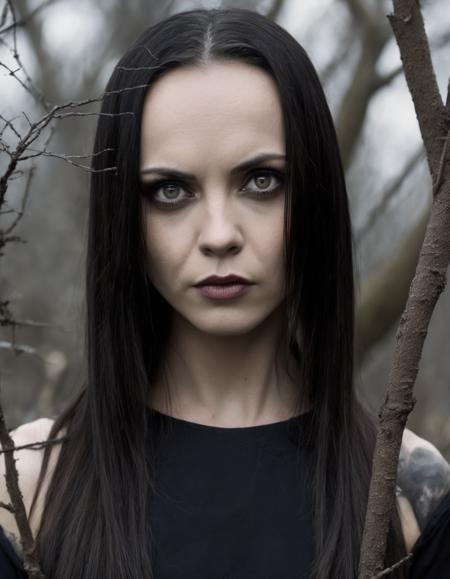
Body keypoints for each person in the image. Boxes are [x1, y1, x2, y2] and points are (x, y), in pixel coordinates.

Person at [0, 7, 449, 579]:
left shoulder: (411, 493)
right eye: (170, 190)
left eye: (261, 181)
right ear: (122, 217)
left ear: (314, 198)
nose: (218, 235)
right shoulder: (28, 490)